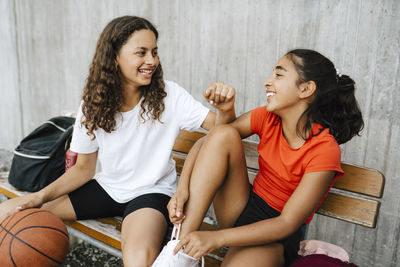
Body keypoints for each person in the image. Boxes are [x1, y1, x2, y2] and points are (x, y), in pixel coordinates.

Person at [0, 16, 236, 266]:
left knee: (137, 261)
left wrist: (226, 109)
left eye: (154, 52)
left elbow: (223, 132)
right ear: (114, 57)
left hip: (152, 191)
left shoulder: (170, 96)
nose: (151, 61)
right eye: (141, 52)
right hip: (108, 188)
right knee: (17, 218)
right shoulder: (93, 105)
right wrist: (37, 198)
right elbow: (83, 169)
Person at [167, 49, 364, 266]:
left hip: (276, 235)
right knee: (224, 133)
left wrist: (215, 238)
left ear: (306, 89)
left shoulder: (325, 149)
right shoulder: (267, 118)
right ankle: (177, 255)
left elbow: (287, 223)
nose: (267, 82)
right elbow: (210, 142)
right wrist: (182, 189)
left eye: (279, 75)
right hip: (243, 208)